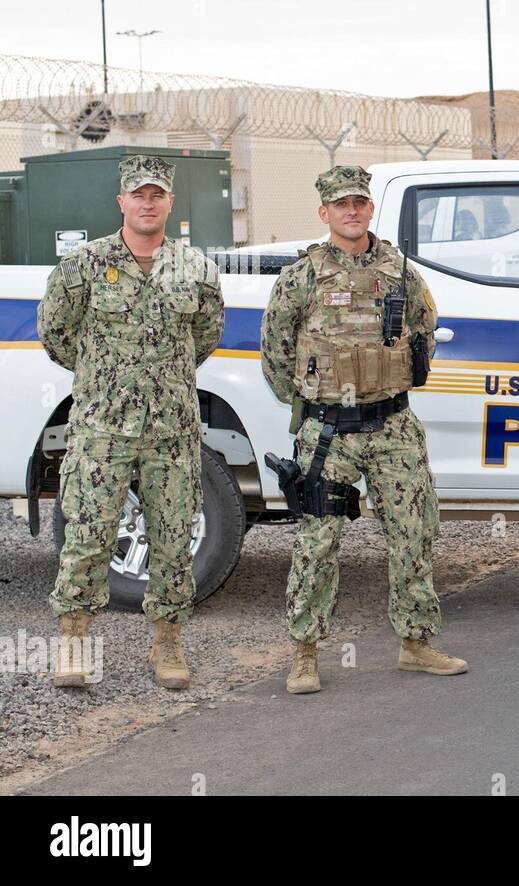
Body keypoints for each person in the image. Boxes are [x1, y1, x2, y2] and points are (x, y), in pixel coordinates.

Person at [260, 165, 466, 694]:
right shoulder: (301, 277)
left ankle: (416, 643)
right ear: (323, 212)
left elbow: (425, 331)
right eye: (340, 204)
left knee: (414, 532)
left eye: (359, 202)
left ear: (370, 208)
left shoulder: (400, 272)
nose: (351, 211)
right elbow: (275, 353)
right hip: (329, 433)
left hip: (392, 424)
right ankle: (305, 654)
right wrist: (312, 401)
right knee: (318, 541)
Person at [38, 154, 224, 689]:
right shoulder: (84, 266)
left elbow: (203, 339)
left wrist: (158, 380)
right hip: (102, 431)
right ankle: (74, 643)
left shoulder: (196, 270)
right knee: (88, 535)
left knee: (172, 539)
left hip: (171, 433)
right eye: (138, 194)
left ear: (170, 202)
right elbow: (56, 336)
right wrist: (108, 378)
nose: (148, 202)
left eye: (157, 194)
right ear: (122, 201)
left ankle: (167, 645)